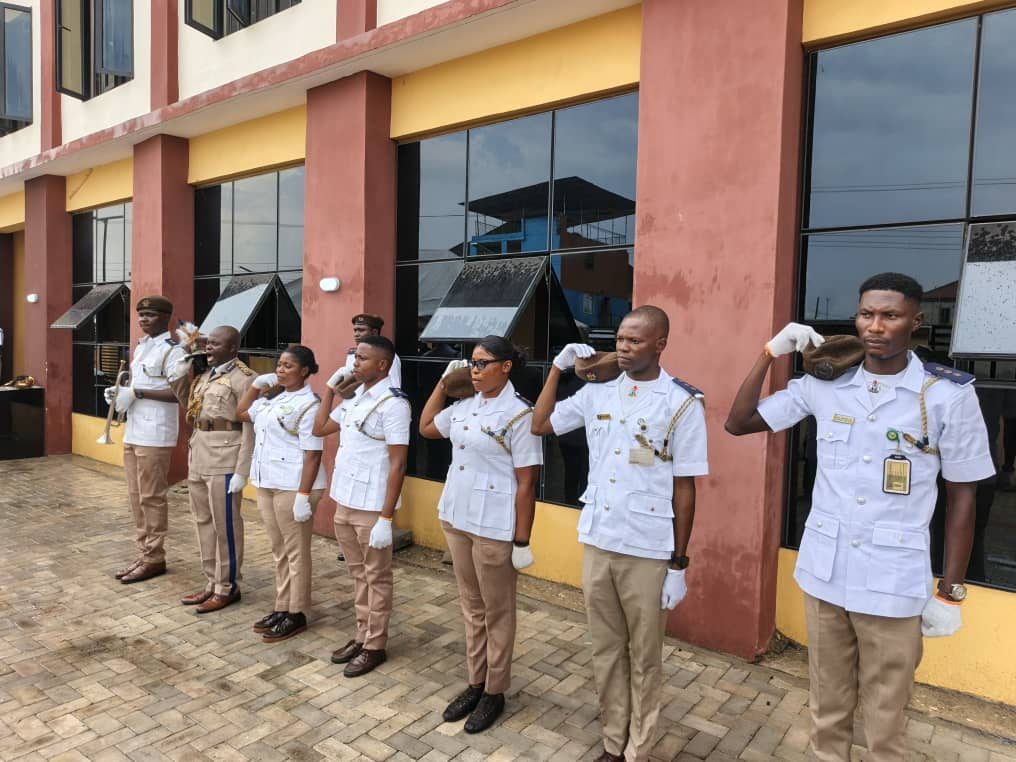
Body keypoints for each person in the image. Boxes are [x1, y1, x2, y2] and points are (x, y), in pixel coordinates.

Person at [724, 272, 995, 761]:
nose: (876, 326)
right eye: (867, 314)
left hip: (893, 583)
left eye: (890, 315)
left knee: (886, 719)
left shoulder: (946, 395)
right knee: (826, 708)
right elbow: (738, 422)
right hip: (826, 575)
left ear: (916, 321)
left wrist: (950, 591)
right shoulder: (825, 385)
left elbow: (963, 496)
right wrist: (769, 353)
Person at [530, 306, 708, 762]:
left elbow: (685, 488)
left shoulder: (682, 403)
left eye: (635, 341)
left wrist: (678, 563)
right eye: (620, 340)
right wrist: (557, 369)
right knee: (606, 650)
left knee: (645, 657)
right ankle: (613, 741)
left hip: (647, 548)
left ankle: (638, 748)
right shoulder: (597, 394)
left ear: (660, 344)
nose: (624, 348)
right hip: (599, 539)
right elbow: (540, 424)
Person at [419, 336, 542, 734]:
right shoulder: (464, 407)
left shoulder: (521, 415)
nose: (474, 370)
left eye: (482, 363)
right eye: (471, 362)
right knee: (471, 606)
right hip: (457, 516)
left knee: (497, 611)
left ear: (505, 366)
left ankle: (495, 690)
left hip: (494, 526)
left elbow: (527, 483)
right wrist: (442, 385)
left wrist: (522, 540)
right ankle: (476, 682)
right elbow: (425, 428)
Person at [312, 335, 410, 675]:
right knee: (358, 574)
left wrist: (386, 517)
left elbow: (398, 463)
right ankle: (361, 633)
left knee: (377, 577)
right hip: (346, 498)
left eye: (362, 359)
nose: (355, 363)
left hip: (372, 505)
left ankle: (375, 645)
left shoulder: (394, 404)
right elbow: (320, 428)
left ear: (382, 365)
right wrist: (330, 391)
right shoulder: (354, 400)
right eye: (355, 358)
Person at [237, 344, 327, 642]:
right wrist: (255, 387)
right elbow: (241, 413)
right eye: (279, 365)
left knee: (296, 552)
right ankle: (282, 605)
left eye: (288, 366)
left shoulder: (310, 404)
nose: (280, 370)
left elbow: (313, 454)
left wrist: (303, 495)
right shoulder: (273, 398)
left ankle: (297, 612)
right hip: (268, 481)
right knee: (279, 550)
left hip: (294, 485)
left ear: (305, 371)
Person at [173, 326, 255, 614]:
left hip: (225, 456)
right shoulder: (205, 375)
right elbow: (188, 404)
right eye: (208, 343)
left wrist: (242, 470)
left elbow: (250, 426)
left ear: (232, 348)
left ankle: (227, 586)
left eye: (215, 344)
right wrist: (181, 370)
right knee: (203, 521)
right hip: (199, 453)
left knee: (225, 526)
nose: (208, 348)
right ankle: (211, 581)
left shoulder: (245, 378)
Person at [108, 295, 186, 584]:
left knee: (152, 497)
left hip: (156, 433)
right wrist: (120, 393)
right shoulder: (141, 347)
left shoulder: (174, 351)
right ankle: (145, 553)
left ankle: (154, 557)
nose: (143, 319)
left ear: (166, 318)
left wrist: (137, 393)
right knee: (135, 496)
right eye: (141, 315)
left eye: (150, 315)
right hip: (135, 429)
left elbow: (179, 394)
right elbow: (137, 384)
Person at [331, 313, 402, 390]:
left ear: (374, 332)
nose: (356, 334)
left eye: (361, 330)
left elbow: (394, 386)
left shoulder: (388, 357)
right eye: (355, 330)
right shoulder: (352, 354)